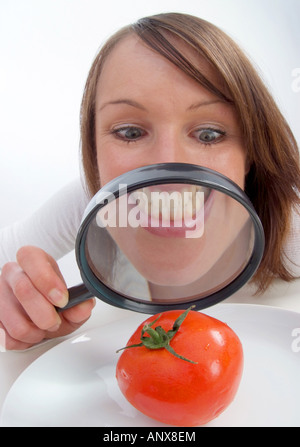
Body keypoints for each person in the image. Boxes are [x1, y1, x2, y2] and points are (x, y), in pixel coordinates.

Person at [0, 12, 299, 350]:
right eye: (130, 132)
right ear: (94, 152)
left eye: (209, 134)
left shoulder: (294, 228)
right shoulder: (97, 200)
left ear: (251, 155)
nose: (166, 168)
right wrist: (14, 302)